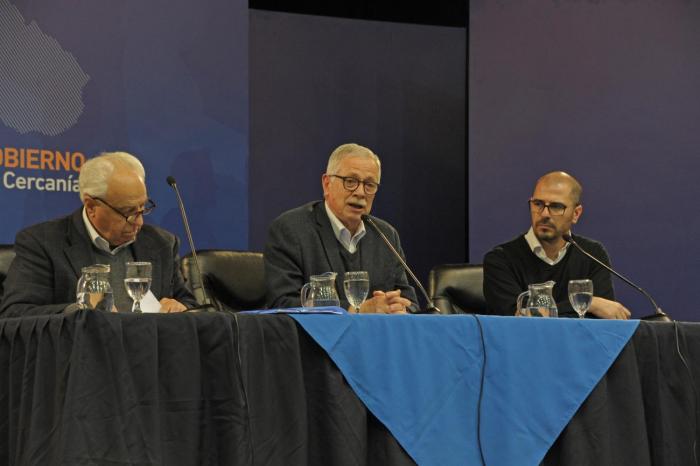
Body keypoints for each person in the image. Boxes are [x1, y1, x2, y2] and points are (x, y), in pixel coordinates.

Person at [0, 151, 196, 317]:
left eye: (143, 208)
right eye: (127, 212)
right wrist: (81, 311)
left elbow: (189, 303)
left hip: (150, 355)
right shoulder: (43, 242)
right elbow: (16, 312)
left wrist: (180, 307)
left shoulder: (162, 243)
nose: (139, 222)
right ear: (92, 206)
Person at [264, 143, 418, 313]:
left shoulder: (386, 235)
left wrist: (400, 308)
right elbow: (283, 303)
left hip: (376, 338)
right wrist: (357, 310)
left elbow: (410, 303)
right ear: (327, 184)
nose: (360, 192)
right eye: (350, 181)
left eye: (369, 185)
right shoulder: (291, 230)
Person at [483, 171, 631, 319]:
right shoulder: (501, 260)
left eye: (556, 206)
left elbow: (603, 319)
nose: (544, 214)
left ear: (576, 214)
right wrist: (589, 304)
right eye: (538, 204)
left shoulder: (592, 254)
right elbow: (521, 321)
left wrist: (591, 307)